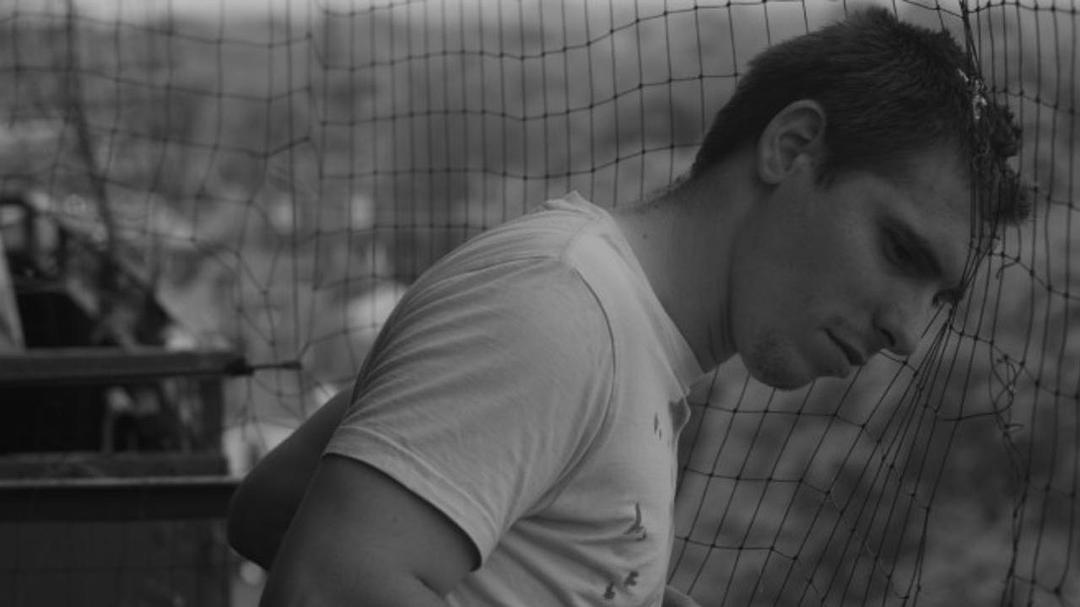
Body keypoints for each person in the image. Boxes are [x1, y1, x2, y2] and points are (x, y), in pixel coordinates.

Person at [227, 7, 1028, 606]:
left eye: (939, 297)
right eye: (899, 250)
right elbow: (325, 587)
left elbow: (272, 506)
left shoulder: (612, 336)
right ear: (792, 147)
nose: (907, 331)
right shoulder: (560, 310)